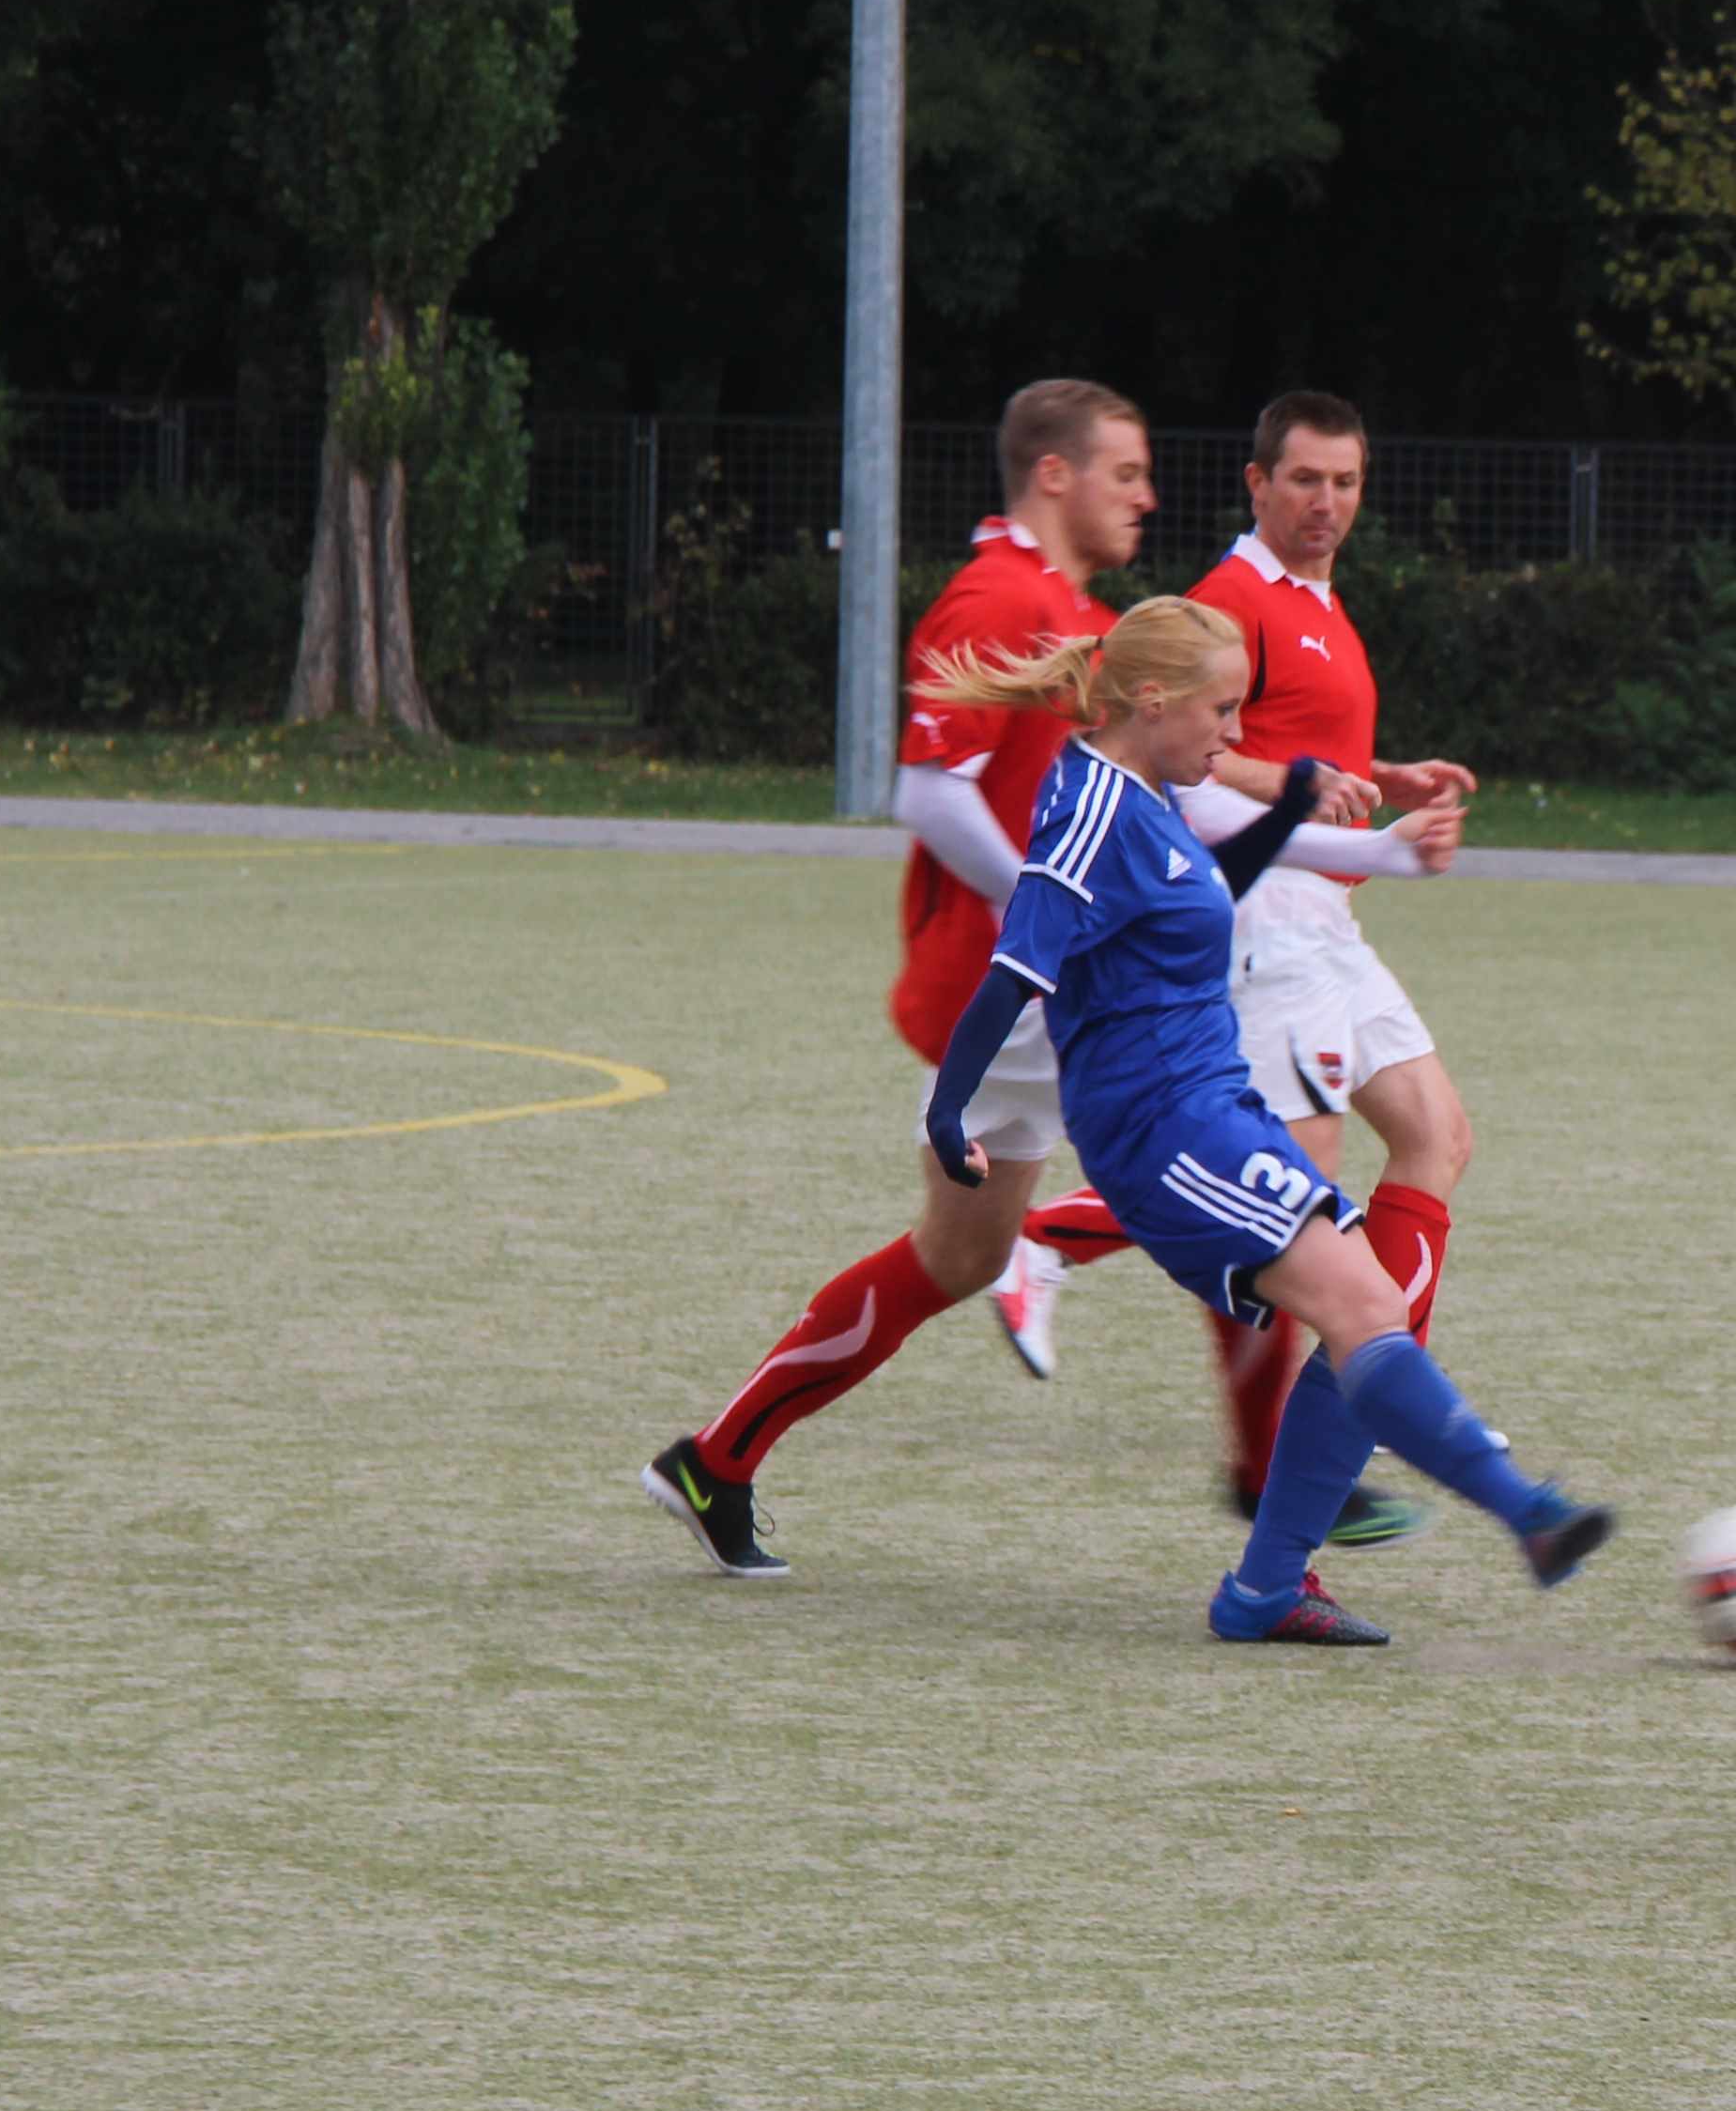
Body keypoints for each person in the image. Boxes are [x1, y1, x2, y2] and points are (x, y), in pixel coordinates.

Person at [912, 597, 1615, 1640]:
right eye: (1223, 711)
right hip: (1160, 1126)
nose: (1236, 734)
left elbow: (1199, 894)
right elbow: (1019, 963)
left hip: (1210, 1104)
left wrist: (1286, 810)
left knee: (1361, 1309)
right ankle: (1529, 1515)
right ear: (1155, 702)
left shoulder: (1145, 790)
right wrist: (948, 1108)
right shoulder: (1094, 806)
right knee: (1363, 1309)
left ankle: (1266, 1591)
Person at [643, 377, 1151, 1575]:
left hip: (1025, 996)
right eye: (1125, 472)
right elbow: (926, 792)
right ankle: (1310, 1482)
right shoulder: (998, 597)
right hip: (1021, 998)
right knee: (1253, 1150)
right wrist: (1044, 910)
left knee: (957, 1255)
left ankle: (717, 1461)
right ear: (1055, 473)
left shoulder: (1067, 608)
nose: (1144, 495)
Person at [997, 392, 1480, 1549]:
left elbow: (1289, 753)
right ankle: (1056, 1240)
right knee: (1288, 1194)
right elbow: (1196, 772)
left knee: (1435, 1137)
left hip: (1331, 922)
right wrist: (1348, 823)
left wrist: (1383, 778)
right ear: (1257, 483)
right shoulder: (1233, 600)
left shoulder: (1319, 605)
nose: (1327, 503)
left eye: (1346, 482)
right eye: (1304, 480)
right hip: (1265, 921)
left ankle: (1366, 1393)